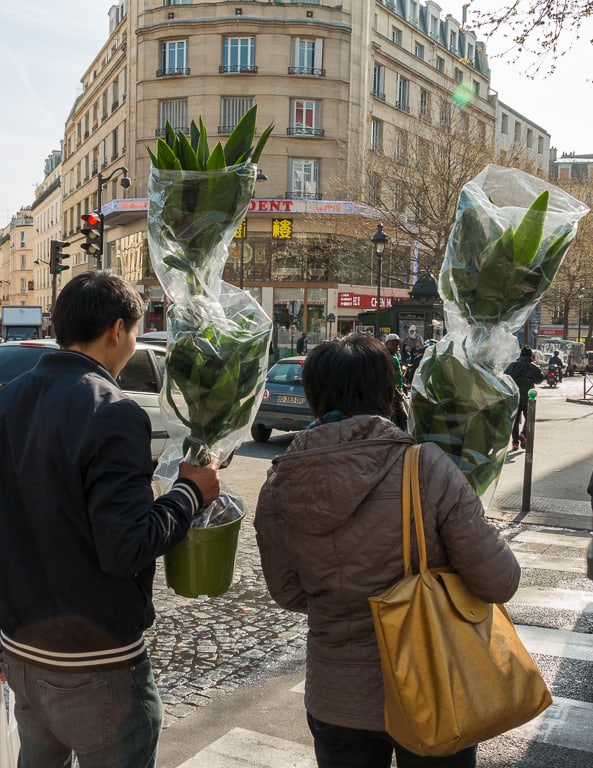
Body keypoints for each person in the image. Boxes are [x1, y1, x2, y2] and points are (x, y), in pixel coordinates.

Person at [254, 333, 520, 768]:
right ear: (389, 391)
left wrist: (344, 598)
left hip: (337, 696)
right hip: (434, 684)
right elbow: (500, 580)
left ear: (314, 397)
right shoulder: (427, 467)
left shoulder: (279, 485)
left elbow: (287, 593)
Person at [0, 272, 221, 768]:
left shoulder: (8, 399)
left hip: (22, 651)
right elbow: (125, 546)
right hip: (95, 664)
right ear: (118, 330)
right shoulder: (113, 410)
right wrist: (191, 493)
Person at [504, 345, 544, 451]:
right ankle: (524, 434)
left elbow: (505, 377)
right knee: (529, 418)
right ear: (531, 356)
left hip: (514, 397)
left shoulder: (513, 365)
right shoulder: (534, 367)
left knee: (515, 421)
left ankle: (515, 443)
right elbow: (539, 380)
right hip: (528, 398)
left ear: (520, 355)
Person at [384, 333, 408, 432]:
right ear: (386, 344)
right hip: (390, 395)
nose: (396, 347)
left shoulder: (394, 357)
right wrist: (396, 393)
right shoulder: (386, 358)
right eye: (393, 344)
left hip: (397, 393)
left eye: (397, 344)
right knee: (401, 420)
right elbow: (387, 379)